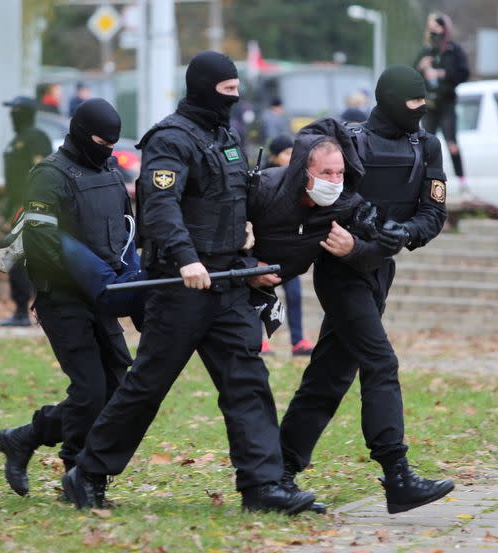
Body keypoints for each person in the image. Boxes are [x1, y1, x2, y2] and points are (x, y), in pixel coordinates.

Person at [61, 51, 316, 515]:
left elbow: (235, 197)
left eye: (238, 93)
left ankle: (262, 487)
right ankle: (87, 474)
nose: (234, 101)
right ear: (202, 89)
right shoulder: (170, 139)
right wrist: (185, 260)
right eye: (226, 92)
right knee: (147, 386)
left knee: (247, 380)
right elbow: (160, 207)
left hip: (228, 281)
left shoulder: (227, 136)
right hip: (181, 286)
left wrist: (251, 240)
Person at [278, 66, 454, 515]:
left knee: (330, 376)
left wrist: (400, 233)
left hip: (379, 271)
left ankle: (276, 471)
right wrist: (359, 242)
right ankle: (397, 473)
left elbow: (433, 214)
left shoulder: (426, 146)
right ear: (392, 100)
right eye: (413, 103)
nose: (420, 111)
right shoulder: (347, 139)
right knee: (380, 361)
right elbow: (322, 190)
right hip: (341, 270)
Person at [0, 98, 136, 497]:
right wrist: (88, 277)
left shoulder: (109, 169)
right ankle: (78, 472)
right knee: (90, 390)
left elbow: (124, 229)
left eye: (112, 142)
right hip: (63, 299)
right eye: (100, 140)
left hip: (104, 293)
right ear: (79, 133)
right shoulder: (48, 175)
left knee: (115, 389)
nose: (107, 149)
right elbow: (41, 244)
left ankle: (26, 437)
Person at [258, 133, 315, 356]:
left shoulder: (299, 181)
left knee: (294, 295)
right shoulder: (263, 179)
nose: (291, 157)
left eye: (294, 152)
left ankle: (298, 340)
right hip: (264, 250)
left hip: (288, 253)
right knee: (261, 298)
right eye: (286, 153)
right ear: (273, 157)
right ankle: (259, 341)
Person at [0, 96, 52, 327]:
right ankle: (21, 310)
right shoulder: (17, 139)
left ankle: (38, 310)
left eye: (15, 111)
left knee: (32, 261)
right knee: (17, 259)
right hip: (16, 208)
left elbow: (42, 174)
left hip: (31, 209)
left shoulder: (36, 138)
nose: (11, 116)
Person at [414, 12, 469, 191]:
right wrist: (422, 67)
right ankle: (427, 180)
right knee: (427, 143)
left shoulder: (454, 51)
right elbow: (412, 74)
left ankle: (462, 181)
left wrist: (442, 73)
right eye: (431, 29)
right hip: (430, 104)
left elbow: (463, 74)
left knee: (451, 142)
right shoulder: (425, 51)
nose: (434, 33)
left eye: (437, 29)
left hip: (447, 102)